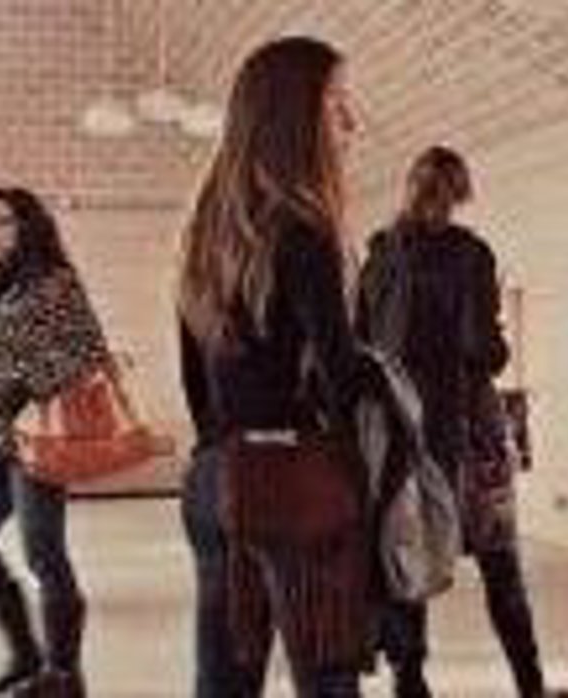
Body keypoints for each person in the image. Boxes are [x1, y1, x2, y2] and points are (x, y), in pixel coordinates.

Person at [175, 37, 372, 697]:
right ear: (296, 116)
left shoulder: (203, 233)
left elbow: (197, 383)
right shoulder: (305, 229)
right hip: (291, 480)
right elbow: (342, 381)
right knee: (328, 678)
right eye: (337, 102)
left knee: (224, 684)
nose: (352, 121)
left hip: (214, 476)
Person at [358, 146, 547, 698]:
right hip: (466, 427)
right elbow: (482, 348)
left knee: (407, 553)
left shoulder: (380, 254)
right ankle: (530, 683)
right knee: (500, 564)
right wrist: (495, 345)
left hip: (400, 429)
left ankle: (410, 680)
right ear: (453, 193)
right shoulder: (469, 254)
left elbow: (361, 340)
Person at [0, 187, 111, 697]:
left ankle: (63, 673)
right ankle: (25, 653)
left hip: (40, 437)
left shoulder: (55, 282)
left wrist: (25, 383)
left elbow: (90, 354)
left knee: (44, 553)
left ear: (29, 226)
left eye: (4, 221)